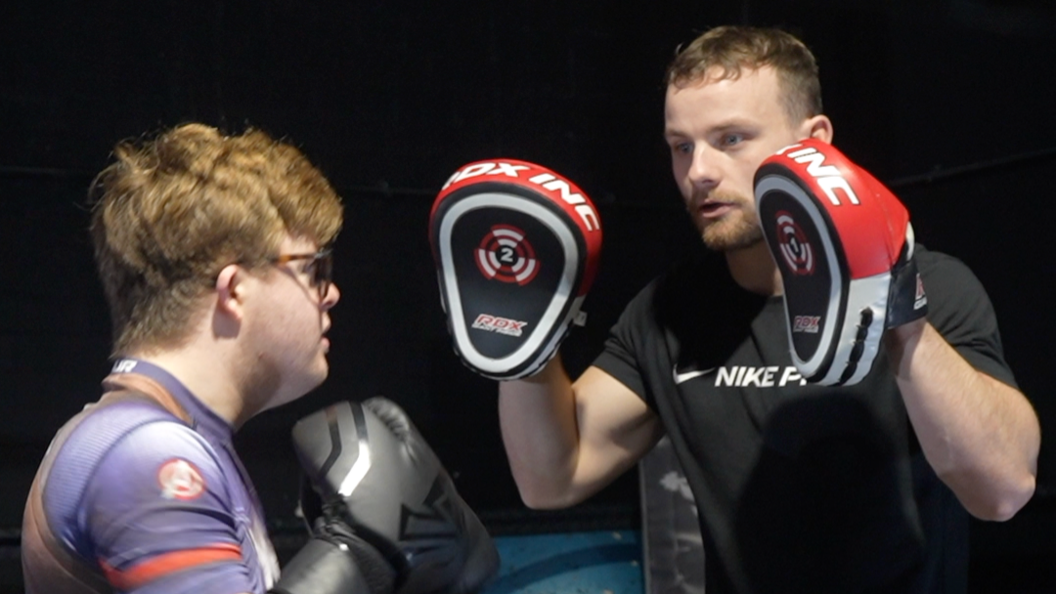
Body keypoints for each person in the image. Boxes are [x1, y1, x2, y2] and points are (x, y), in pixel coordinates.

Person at [493, 26, 1041, 593]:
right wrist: (525, 336)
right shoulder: (670, 310)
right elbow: (551, 478)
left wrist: (897, 309)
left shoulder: (937, 284)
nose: (699, 170)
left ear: (816, 143)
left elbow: (1002, 491)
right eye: (682, 146)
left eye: (731, 139)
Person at [21, 123, 497, 594]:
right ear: (234, 291)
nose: (331, 293)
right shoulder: (149, 456)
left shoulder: (166, 438)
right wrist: (356, 557)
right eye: (312, 270)